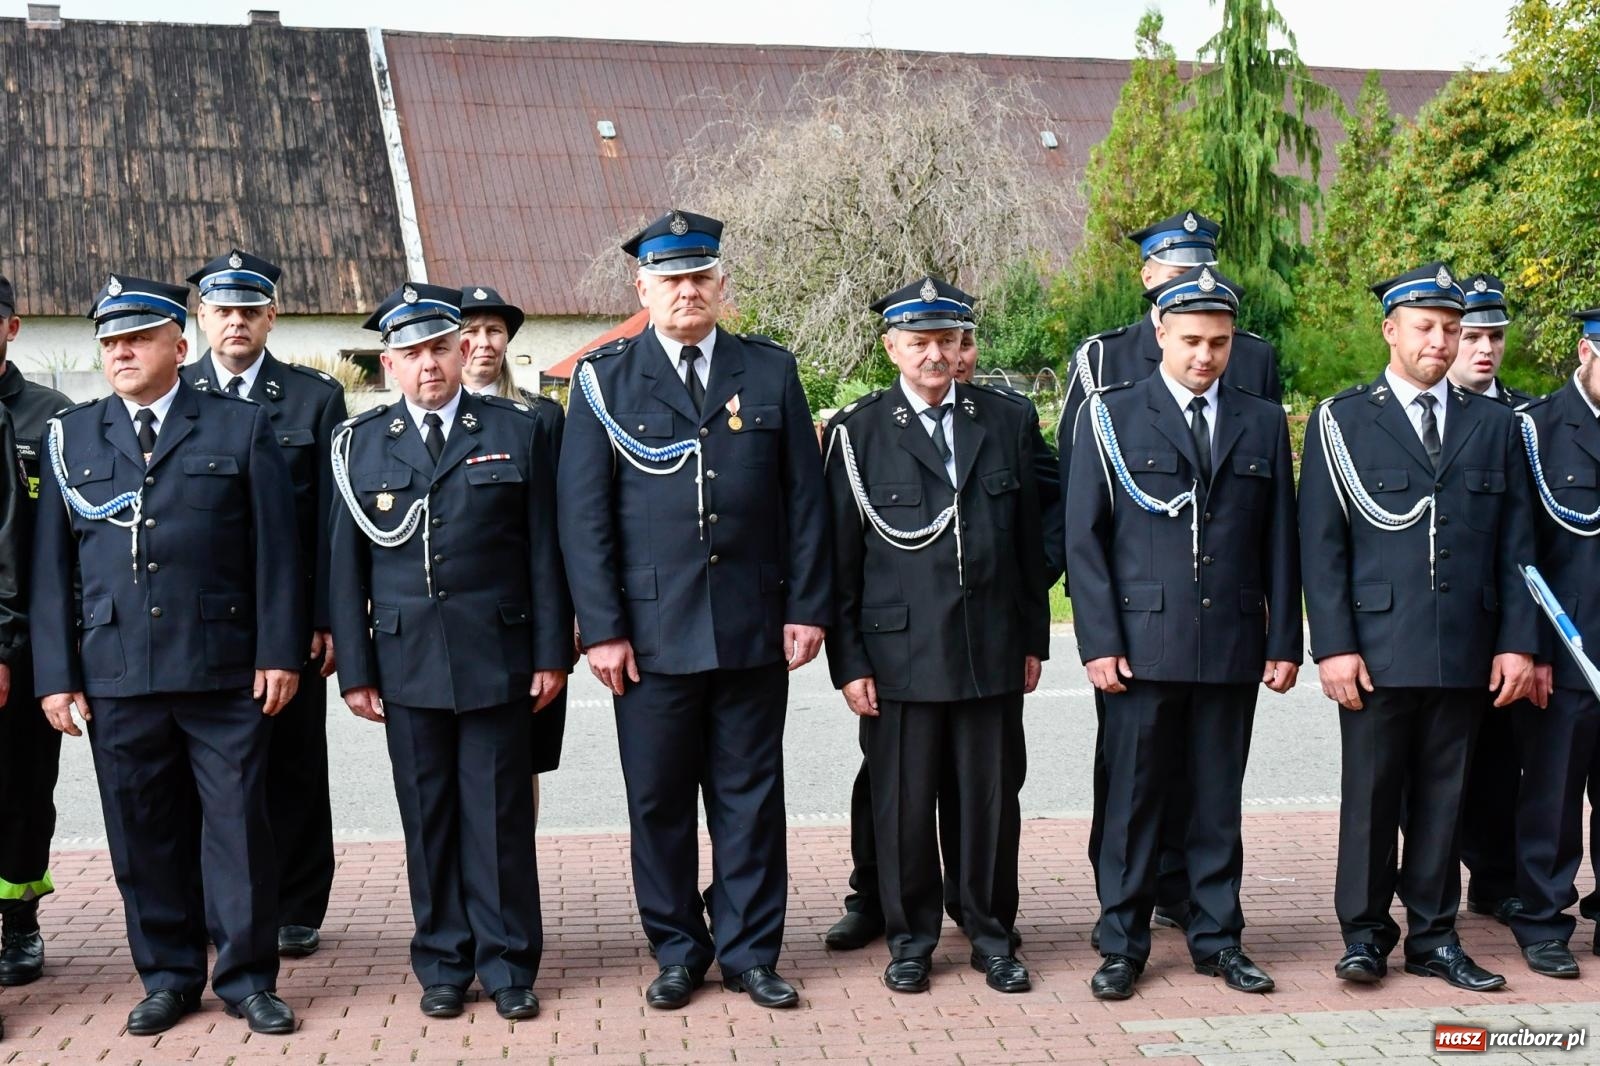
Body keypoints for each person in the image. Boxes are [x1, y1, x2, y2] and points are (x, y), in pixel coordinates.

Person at [558, 210, 831, 1011]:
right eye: (670, 279)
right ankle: (678, 947)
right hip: (648, 636)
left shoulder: (768, 372)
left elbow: (803, 505)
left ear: (721, 285)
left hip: (751, 626)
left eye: (699, 277)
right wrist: (602, 628)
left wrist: (807, 607)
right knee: (660, 802)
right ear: (642, 287)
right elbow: (585, 517)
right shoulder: (604, 380)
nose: (686, 291)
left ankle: (751, 952)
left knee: (751, 798)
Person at [31, 272, 303, 1035]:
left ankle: (248, 978)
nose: (120, 351)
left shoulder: (238, 426)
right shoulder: (71, 436)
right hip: (118, 671)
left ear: (178, 346)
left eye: (137, 338)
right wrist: (57, 675)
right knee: (141, 830)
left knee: (238, 829)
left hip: (223, 667)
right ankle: (170, 975)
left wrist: (279, 650)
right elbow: (54, 568)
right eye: (109, 341)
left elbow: (276, 554)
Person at [328, 282, 568, 1021]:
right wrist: (356, 672)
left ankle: (507, 965)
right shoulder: (358, 446)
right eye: (410, 353)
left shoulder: (518, 429)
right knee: (428, 816)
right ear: (387, 366)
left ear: (465, 351)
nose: (427, 364)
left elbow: (544, 552)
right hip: (405, 664)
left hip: (498, 652)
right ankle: (442, 960)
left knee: (498, 814)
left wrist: (551, 652)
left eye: (439, 347)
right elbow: (347, 568)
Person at [1299, 261, 1539, 992]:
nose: (1441, 341)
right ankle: (1365, 935)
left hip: (1465, 646)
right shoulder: (1342, 419)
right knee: (1371, 799)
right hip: (1375, 648)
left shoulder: (1495, 424)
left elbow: (1517, 547)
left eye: (1452, 328)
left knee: (1445, 798)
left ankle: (1434, 936)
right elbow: (1323, 543)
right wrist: (1333, 645)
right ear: (1391, 330)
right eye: (1427, 327)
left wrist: (1517, 642)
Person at [1064, 266, 1300, 1000]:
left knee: (1215, 799)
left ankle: (1218, 938)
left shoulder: (1261, 419)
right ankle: (1123, 944)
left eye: (1220, 343)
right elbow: (1085, 538)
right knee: (1136, 802)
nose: (1206, 356)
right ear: (1160, 333)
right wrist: (1099, 641)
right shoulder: (1111, 413)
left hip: (1229, 641)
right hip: (1141, 644)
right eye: (1192, 340)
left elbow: (1280, 542)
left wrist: (1284, 640)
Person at [824, 275, 1048, 995]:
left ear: (962, 346)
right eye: (918, 342)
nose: (934, 356)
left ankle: (990, 931)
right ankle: (911, 938)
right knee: (904, 806)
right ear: (890, 346)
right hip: (900, 651)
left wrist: (1033, 639)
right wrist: (848, 660)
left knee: (988, 800)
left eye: (947, 341)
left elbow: (1025, 542)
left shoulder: (1005, 419)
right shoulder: (859, 432)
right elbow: (840, 559)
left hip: (989, 643)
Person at [181, 249, 347, 959]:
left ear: (271, 317)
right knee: (208, 771)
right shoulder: (176, 389)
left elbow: (332, 523)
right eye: (223, 310)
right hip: (204, 620)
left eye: (251, 310)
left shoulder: (313, 399)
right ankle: (214, 903)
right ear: (201, 319)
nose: (237, 322)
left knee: (294, 762)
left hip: (291, 617)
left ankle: (298, 904)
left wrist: (327, 616)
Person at [1504, 309, 1600, 977]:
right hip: (1568, 652)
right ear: (1586, 350)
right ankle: (1542, 919)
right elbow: (1517, 550)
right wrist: (1530, 648)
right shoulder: (1537, 430)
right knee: (1554, 797)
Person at [457, 284, 571, 814]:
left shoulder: (542, 419)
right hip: (454, 617)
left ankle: (515, 875)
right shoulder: (413, 418)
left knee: (522, 759)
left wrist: (568, 618)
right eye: (470, 331)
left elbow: (561, 524)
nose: (483, 343)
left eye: (494, 331)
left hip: (524, 616)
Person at [1444, 273, 1533, 927]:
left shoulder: (1530, 418)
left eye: (1493, 336)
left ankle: (1496, 880)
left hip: (1507, 619)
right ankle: (1434, 884)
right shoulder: (1422, 415)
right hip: (1443, 623)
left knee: (1506, 761)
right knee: (1441, 767)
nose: (1483, 349)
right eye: (1471, 335)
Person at [0, 272, 69, 991]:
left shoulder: (53, 418)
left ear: (12, 326)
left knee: (24, 788)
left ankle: (19, 920)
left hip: (25, 639)